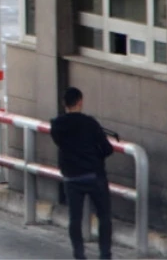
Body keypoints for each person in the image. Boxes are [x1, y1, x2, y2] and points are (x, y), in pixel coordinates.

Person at [51, 87, 115, 260]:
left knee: (75, 218)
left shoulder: (57, 125)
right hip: (94, 175)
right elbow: (107, 149)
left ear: (64, 104)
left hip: (71, 176)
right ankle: (105, 255)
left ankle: (79, 255)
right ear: (80, 101)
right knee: (104, 217)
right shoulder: (89, 123)